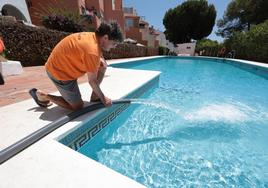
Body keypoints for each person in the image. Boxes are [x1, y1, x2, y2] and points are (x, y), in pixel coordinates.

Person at [29, 22, 123, 110]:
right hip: (59, 73)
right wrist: (104, 99)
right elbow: (92, 81)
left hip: (64, 64)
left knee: (103, 65)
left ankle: (95, 97)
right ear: (105, 38)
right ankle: (42, 96)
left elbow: (93, 54)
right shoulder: (92, 51)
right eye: (114, 44)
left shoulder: (93, 37)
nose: (113, 47)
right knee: (77, 107)